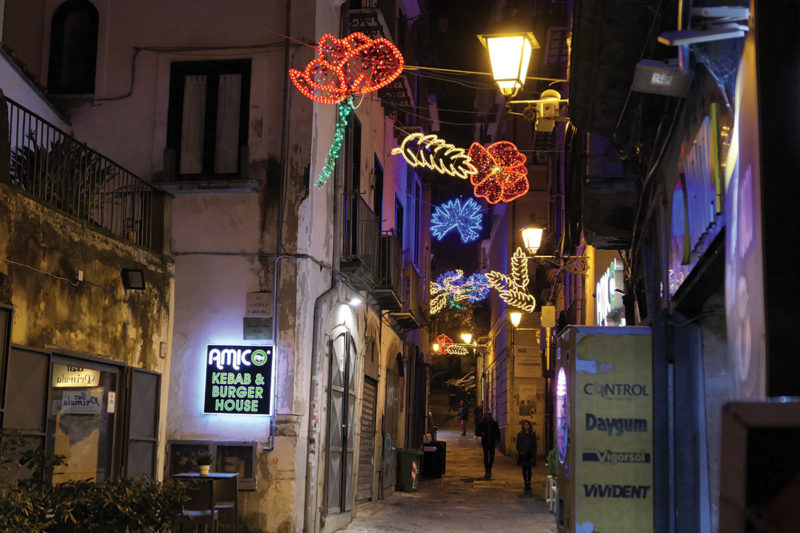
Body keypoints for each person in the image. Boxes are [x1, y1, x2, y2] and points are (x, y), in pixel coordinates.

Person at [475, 410, 501, 479]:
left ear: (490, 415)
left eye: (487, 415)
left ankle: (489, 469)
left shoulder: (494, 423)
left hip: (492, 443)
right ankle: (487, 471)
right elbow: (477, 431)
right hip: (485, 443)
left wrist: (497, 440)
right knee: (486, 457)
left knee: (492, 458)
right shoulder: (482, 423)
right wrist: (481, 434)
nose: (486, 416)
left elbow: (498, 432)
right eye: (485, 415)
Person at [516, 419, 537, 491]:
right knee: (524, 469)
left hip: (530, 454)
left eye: (527, 424)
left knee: (530, 469)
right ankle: (526, 482)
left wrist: (534, 453)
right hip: (523, 454)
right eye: (524, 424)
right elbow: (518, 444)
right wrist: (520, 451)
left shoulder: (532, 434)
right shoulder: (520, 434)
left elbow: (534, 444)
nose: (526, 426)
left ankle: (529, 482)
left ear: (529, 425)